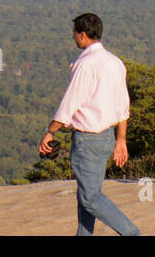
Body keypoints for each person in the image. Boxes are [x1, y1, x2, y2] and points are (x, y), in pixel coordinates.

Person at [38, 13, 140, 236]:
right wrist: (121, 139)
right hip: (107, 137)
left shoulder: (85, 64)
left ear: (82, 35)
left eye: (74, 33)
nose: (73, 37)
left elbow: (69, 105)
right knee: (86, 194)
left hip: (88, 139)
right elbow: (124, 105)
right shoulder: (115, 62)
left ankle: (132, 233)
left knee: (90, 197)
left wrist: (49, 132)